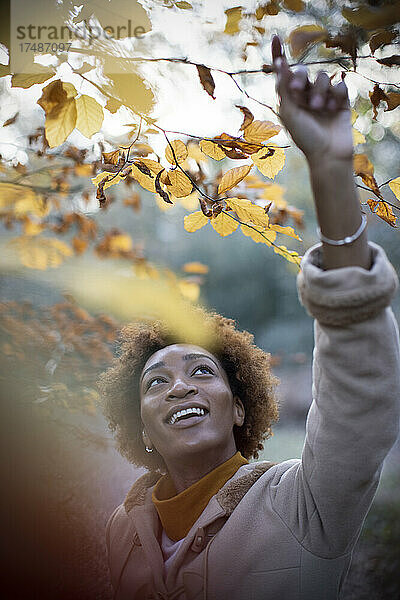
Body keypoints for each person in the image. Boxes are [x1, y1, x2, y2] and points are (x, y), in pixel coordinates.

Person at [100, 36, 400, 600]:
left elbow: (359, 395)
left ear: (239, 407)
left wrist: (332, 171)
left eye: (202, 371)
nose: (177, 386)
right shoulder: (123, 531)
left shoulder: (304, 504)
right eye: (155, 381)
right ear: (141, 425)